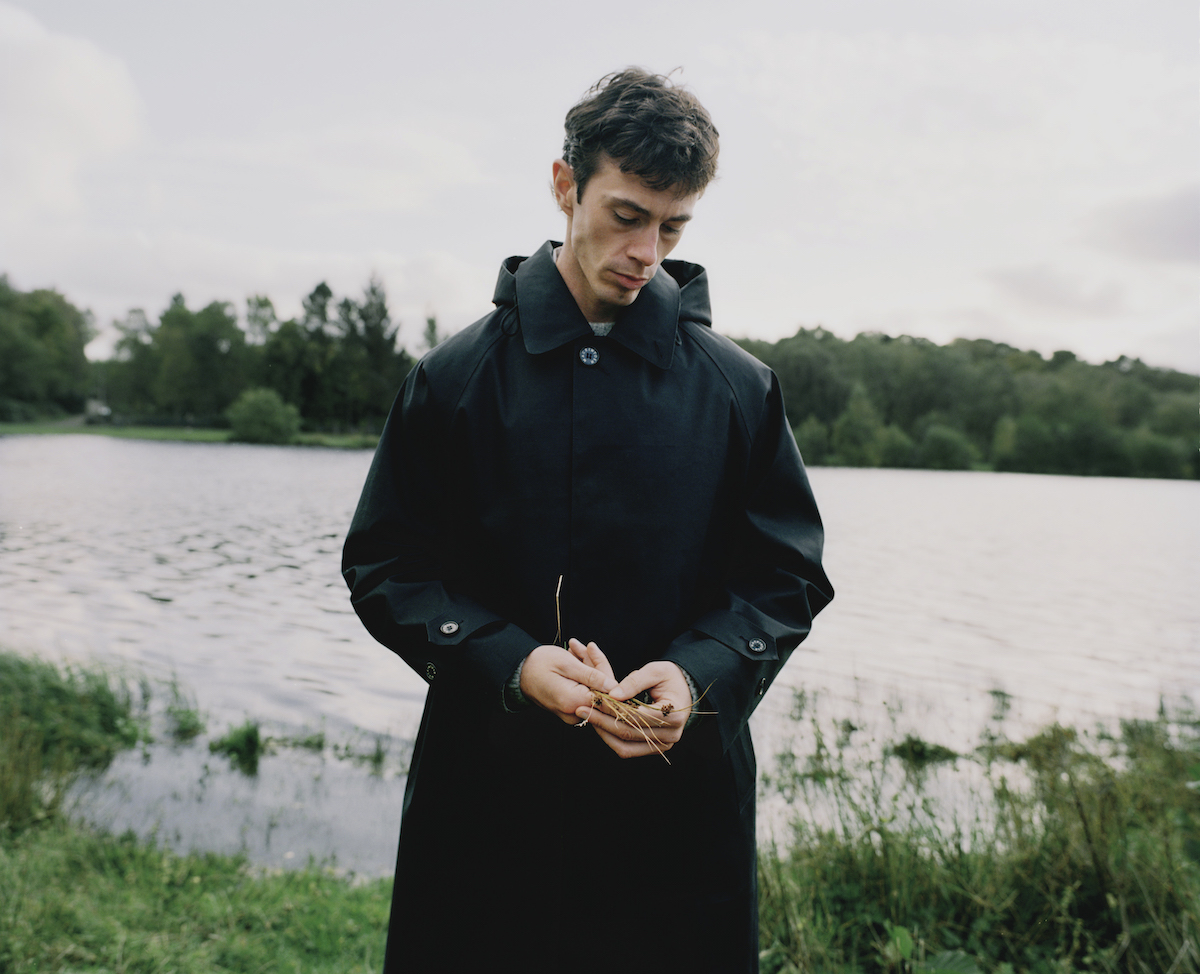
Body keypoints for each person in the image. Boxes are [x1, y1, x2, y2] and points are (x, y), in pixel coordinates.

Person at [342, 67, 833, 974]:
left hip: (678, 817)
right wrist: (507, 662)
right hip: (487, 801)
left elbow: (785, 576)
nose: (647, 252)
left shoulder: (741, 388)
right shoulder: (453, 379)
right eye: (627, 215)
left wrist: (700, 673)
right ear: (566, 186)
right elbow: (386, 566)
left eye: (673, 227)